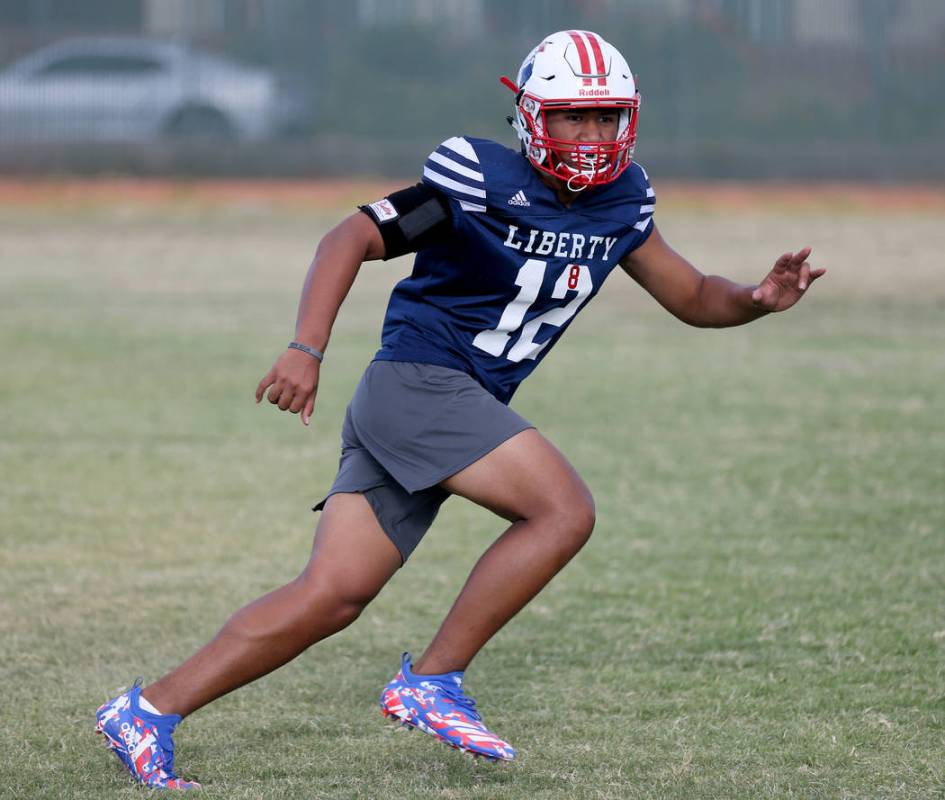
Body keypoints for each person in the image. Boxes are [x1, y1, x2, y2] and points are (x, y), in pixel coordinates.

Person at [94, 30, 825, 789]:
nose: (593, 135)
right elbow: (350, 236)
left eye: (606, 117)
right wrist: (305, 349)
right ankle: (433, 680)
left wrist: (755, 299)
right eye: (574, 117)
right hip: (418, 384)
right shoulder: (476, 179)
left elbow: (694, 295)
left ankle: (148, 710)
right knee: (562, 511)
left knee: (332, 595)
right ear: (531, 117)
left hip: (448, 403)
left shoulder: (622, 201)